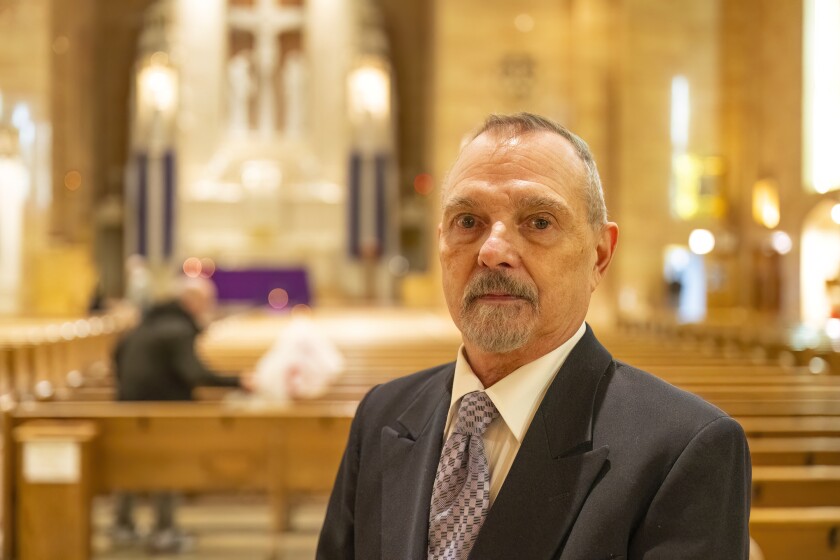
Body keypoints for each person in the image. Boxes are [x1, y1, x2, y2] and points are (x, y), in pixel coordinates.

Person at [317, 113, 751, 559]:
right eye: (468, 221)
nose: (493, 251)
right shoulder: (382, 415)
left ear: (599, 255)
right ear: (441, 242)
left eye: (539, 222)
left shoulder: (685, 448)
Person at [111, 275, 250, 553]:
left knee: (128, 466)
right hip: (164, 408)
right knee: (166, 467)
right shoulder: (178, 329)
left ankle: (122, 526)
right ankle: (164, 531)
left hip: (129, 406)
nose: (209, 307)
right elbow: (194, 373)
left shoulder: (147, 322)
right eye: (207, 302)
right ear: (193, 301)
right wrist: (238, 381)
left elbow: (116, 353)